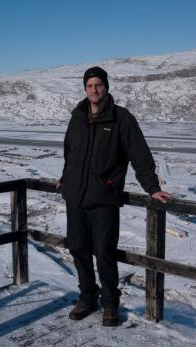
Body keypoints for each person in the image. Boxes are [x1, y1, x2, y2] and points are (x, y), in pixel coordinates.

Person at [56, 66, 171, 327]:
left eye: (98, 84)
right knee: (78, 249)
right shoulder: (77, 116)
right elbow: (70, 153)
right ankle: (87, 297)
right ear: (85, 89)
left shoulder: (121, 118)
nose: (94, 89)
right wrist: (65, 177)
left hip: (104, 199)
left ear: (106, 87)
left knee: (104, 253)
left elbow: (140, 154)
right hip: (75, 197)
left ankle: (110, 304)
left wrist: (151, 187)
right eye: (89, 85)